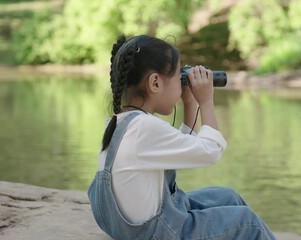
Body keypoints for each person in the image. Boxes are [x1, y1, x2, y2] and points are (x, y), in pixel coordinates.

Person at [88, 34, 275, 240]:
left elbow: (186, 148)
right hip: (156, 234)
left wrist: (190, 103)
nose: (182, 86)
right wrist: (206, 101)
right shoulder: (145, 127)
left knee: (227, 196)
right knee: (247, 222)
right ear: (155, 83)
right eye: (179, 78)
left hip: (136, 228)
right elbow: (210, 151)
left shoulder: (123, 123)